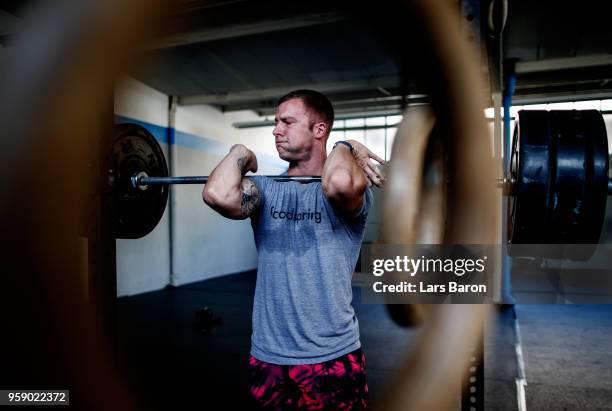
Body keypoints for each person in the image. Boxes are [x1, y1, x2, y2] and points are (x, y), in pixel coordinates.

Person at [203, 89, 385, 410]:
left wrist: (345, 145)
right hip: (268, 354)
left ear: (319, 130)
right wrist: (240, 151)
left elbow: (339, 182)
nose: (276, 130)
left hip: (330, 354)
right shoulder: (265, 190)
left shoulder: (349, 193)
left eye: (287, 122)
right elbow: (218, 194)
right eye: (276, 122)